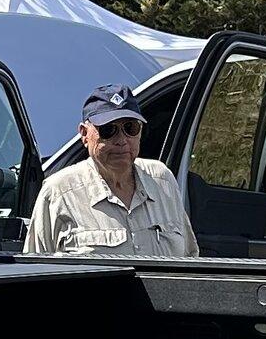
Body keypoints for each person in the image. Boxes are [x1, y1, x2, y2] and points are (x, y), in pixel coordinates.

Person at [22, 86, 199, 258]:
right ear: (84, 134)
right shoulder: (59, 193)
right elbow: (33, 273)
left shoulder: (162, 181)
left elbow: (190, 260)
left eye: (130, 128)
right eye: (108, 130)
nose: (121, 140)